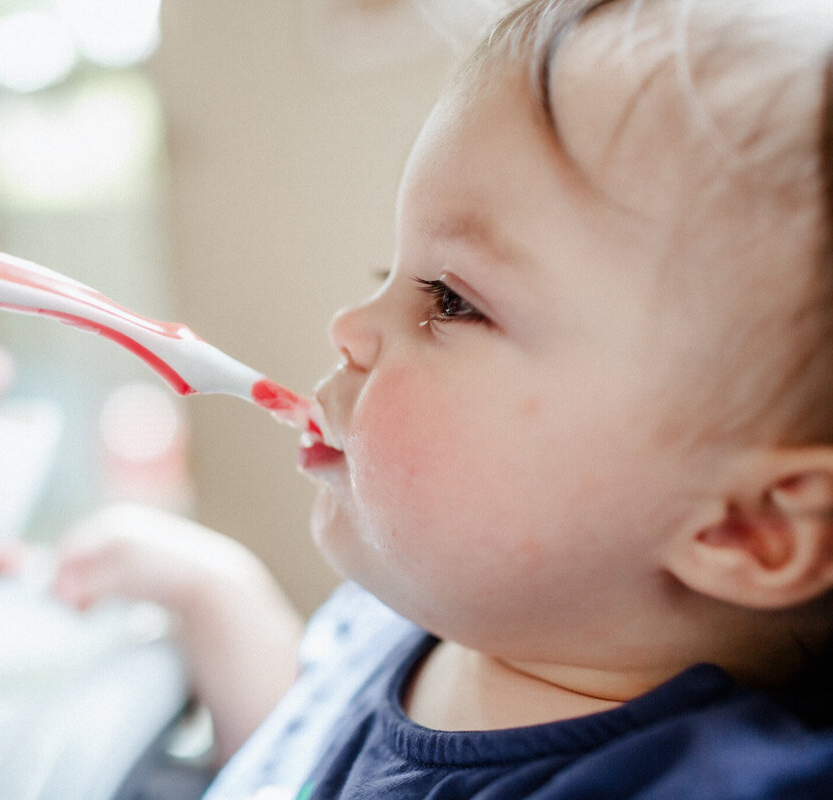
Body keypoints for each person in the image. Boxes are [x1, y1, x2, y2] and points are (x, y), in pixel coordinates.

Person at [54, 0, 833, 797]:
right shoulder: (426, 621)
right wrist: (218, 598)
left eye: (452, 300)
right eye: (384, 274)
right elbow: (294, 761)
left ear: (749, 527)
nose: (349, 326)